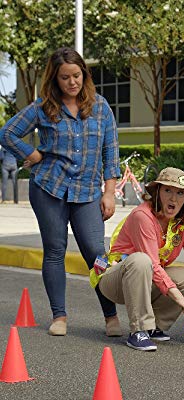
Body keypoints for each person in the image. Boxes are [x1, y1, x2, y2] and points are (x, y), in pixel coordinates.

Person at [0, 47, 121, 337]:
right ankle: (59, 316)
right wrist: (33, 154)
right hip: (49, 188)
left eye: (76, 75)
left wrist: (109, 192)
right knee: (55, 251)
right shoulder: (44, 107)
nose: (72, 82)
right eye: (65, 77)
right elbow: (7, 133)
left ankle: (111, 317)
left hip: (88, 192)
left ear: (84, 74)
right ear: (55, 79)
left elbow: (110, 151)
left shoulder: (101, 107)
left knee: (96, 253)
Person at [95, 167, 184, 351]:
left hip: (148, 278)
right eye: (168, 191)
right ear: (157, 192)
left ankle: (155, 326)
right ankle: (138, 330)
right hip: (116, 279)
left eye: (180, 193)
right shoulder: (143, 216)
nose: (173, 198)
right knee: (141, 260)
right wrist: (182, 301)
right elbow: (152, 264)